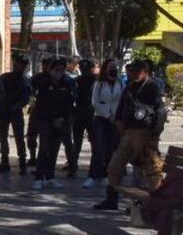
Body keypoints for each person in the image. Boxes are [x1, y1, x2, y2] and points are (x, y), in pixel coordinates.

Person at [94, 59, 167, 211]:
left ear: (145, 72)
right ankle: (112, 198)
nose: (133, 74)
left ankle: (150, 203)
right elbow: (121, 107)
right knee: (114, 167)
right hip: (127, 133)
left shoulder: (152, 87)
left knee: (149, 170)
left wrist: (155, 134)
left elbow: (160, 111)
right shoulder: (130, 87)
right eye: (131, 71)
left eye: (136, 71)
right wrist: (119, 122)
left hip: (145, 133)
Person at [31, 58, 76, 190]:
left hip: (61, 122)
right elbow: (41, 105)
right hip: (46, 121)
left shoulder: (66, 84)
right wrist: (52, 119)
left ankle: (50, 177)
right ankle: (39, 178)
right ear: (51, 70)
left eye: (62, 71)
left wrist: (62, 118)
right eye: (56, 70)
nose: (59, 73)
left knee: (54, 150)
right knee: (44, 149)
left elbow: (69, 104)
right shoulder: (43, 83)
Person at [86, 59, 123, 189]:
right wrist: (108, 115)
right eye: (110, 67)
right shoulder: (99, 83)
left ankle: (106, 175)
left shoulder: (120, 83)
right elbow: (95, 102)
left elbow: (121, 102)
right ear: (105, 69)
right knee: (98, 148)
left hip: (115, 120)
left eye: (115, 67)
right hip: (101, 118)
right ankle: (92, 176)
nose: (113, 69)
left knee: (110, 149)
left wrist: (117, 118)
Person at [0, 55, 30, 173]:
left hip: (16, 111)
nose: (21, 66)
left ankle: (22, 162)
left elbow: (26, 98)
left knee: (19, 138)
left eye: (24, 64)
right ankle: (5, 161)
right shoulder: (5, 77)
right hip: (4, 111)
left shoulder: (25, 80)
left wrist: (16, 106)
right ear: (15, 64)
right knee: (3, 137)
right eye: (20, 63)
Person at [70, 59, 96, 178]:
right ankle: (91, 168)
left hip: (83, 112)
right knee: (92, 142)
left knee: (78, 141)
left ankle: (74, 165)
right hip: (87, 112)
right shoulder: (95, 80)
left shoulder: (77, 80)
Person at [25, 58, 52, 166]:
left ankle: (45, 158)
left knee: (46, 137)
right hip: (36, 109)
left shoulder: (54, 78)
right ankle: (32, 157)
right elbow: (30, 92)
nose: (45, 67)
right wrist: (31, 103)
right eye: (44, 64)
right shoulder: (37, 78)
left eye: (47, 65)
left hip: (48, 110)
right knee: (31, 135)